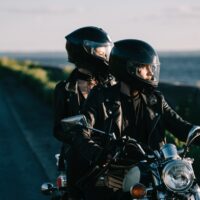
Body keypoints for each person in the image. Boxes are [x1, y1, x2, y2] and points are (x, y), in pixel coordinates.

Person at [69, 39, 200, 200]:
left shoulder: (155, 99)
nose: (151, 73)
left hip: (154, 170)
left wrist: (197, 134)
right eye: (147, 69)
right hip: (115, 169)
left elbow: (181, 126)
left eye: (152, 68)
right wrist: (99, 154)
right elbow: (81, 131)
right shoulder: (101, 97)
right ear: (131, 69)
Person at [53, 26, 114, 200]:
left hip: (110, 150)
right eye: (101, 50)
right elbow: (58, 128)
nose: (105, 54)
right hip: (80, 153)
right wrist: (81, 140)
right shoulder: (65, 90)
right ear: (86, 51)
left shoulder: (111, 86)